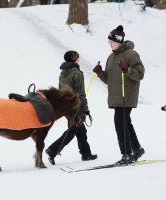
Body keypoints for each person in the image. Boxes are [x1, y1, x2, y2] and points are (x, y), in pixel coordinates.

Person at [93, 25, 145, 165]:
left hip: (126, 96)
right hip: (116, 96)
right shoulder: (111, 57)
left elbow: (140, 74)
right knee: (125, 122)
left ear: (120, 41)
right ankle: (137, 149)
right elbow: (108, 80)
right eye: (109, 41)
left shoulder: (131, 54)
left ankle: (126, 155)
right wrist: (100, 73)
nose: (110, 43)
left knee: (120, 124)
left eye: (112, 41)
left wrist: (127, 69)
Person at [46, 50, 97, 165]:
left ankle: (86, 154)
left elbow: (60, 90)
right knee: (72, 130)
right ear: (74, 59)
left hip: (66, 106)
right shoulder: (77, 73)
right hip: (76, 106)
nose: (79, 60)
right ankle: (52, 150)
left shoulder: (63, 72)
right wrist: (85, 109)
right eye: (78, 58)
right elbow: (81, 93)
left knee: (80, 130)